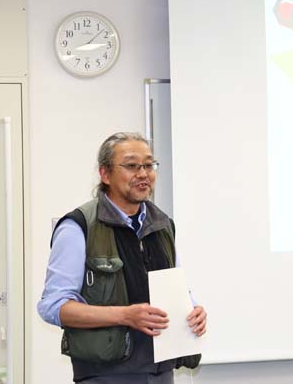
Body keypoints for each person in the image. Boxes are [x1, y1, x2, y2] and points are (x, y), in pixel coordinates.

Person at [38, 132, 207, 384]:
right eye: (131, 166)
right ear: (105, 174)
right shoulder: (79, 227)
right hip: (105, 374)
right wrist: (124, 315)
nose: (143, 173)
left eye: (149, 165)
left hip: (161, 372)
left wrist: (193, 310)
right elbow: (53, 306)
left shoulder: (163, 225)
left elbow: (177, 288)